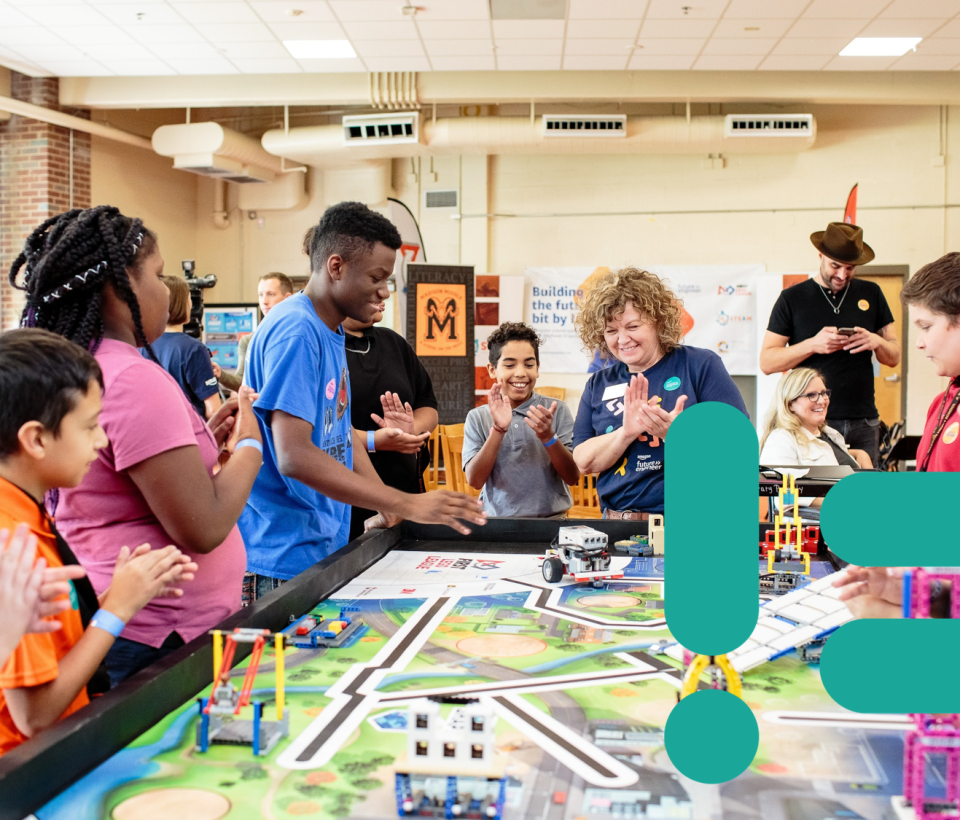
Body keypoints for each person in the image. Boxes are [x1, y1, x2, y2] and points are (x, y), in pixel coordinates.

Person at [9, 206, 263, 686]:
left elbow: (120, 476)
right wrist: (251, 443)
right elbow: (203, 527)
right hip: (157, 633)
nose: (166, 292)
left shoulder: (88, 365)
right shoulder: (129, 378)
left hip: (142, 623)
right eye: (159, 275)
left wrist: (206, 444)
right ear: (116, 287)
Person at [239, 201, 485, 602]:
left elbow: (342, 435)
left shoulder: (329, 329)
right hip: (282, 559)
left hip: (319, 545)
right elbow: (293, 455)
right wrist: (405, 501)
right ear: (336, 267)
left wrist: (388, 509)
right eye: (377, 277)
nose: (384, 290)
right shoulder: (297, 330)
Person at [0, 328, 195, 755]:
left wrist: (120, 592)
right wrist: (116, 609)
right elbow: (34, 715)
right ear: (35, 438)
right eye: (89, 427)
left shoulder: (24, 512)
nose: (102, 440)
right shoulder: (13, 545)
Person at [832, 253, 960, 617]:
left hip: (946, 594)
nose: (917, 344)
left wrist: (913, 598)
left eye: (925, 326)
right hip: (939, 582)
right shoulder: (944, 401)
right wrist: (901, 584)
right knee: (861, 601)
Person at [572, 267, 748, 518]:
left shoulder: (699, 365)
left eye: (632, 326)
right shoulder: (598, 383)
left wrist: (677, 435)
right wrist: (626, 433)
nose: (622, 339)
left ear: (657, 322)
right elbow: (584, 461)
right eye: (611, 331)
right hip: (617, 526)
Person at [759, 222, 901, 467]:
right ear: (820, 256)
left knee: (866, 495)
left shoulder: (872, 293)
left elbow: (894, 356)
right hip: (812, 420)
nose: (842, 275)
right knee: (819, 495)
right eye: (835, 265)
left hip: (864, 418)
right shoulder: (792, 298)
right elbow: (767, 362)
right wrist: (812, 345)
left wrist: (876, 341)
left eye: (850, 268)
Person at [343, 300, 439, 541]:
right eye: (375, 280)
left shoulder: (394, 343)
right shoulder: (324, 346)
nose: (383, 293)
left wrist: (406, 432)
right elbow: (327, 430)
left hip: (401, 494)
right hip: (348, 501)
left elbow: (428, 406)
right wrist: (376, 440)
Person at [463, 323, 579, 517]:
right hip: (497, 524)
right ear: (492, 370)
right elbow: (474, 481)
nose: (520, 373)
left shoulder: (556, 411)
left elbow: (572, 476)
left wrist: (548, 437)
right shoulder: (477, 417)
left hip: (553, 522)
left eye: (529, 364)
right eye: (509, 365)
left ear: (538, 368)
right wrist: (499, 430)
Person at [759, 368, 872, 520]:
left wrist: (858, 454)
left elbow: (826, 460)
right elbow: (784, 496)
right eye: (812, 395)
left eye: (824, 393)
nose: (822, 400)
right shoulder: (781, 440)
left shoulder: (827, 434)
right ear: (790, 404)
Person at [143, 275, 221, 419]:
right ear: (181, 303)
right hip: (190, 434)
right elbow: (214, 410)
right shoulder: (194, 349)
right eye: (189, 299)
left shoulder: (140, 345)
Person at [215, 272, 294, 393]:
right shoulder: (248, 340)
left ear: (287, 298)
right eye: (261, 295)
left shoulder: (299, 335)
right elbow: (242, 382)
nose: (264, 301)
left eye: (271, 294)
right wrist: (220, 374)